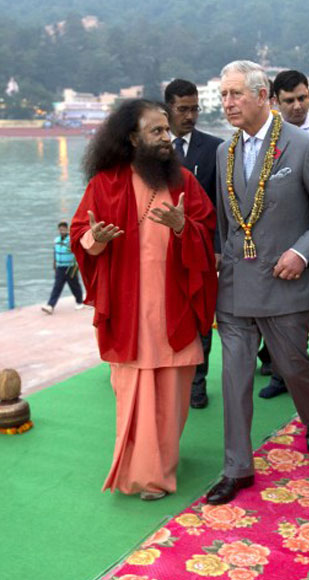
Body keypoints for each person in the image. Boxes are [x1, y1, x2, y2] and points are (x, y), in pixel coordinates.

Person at [206, 60, 309, 505]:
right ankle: (237, 468)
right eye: (223, 95)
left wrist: (303, 252)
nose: (227, 103)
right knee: (234, 377)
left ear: (262, 95)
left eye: (235, 94)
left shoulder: (302, 146)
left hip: (286, 282)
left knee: (294, 367)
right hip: (235, 285)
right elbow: (228, 222)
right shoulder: (223, 152)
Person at [70, 99, 217, 500]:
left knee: (171, 396)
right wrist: (95, 240)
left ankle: (159, 471)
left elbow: (207, 231)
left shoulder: (183, 181)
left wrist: (185, 226)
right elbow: (81, 234)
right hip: (129, 311)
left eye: (167, 130)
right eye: (157, 131)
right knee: (133, 392)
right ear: (133, 138)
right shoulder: (105, 184)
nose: (167, 138)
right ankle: (141, 471)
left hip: (174, 307)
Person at [260, 68, 309, 398]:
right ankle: (280, 374)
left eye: (302, 98)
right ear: (275, 101)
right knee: (280, 309)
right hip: (277, 235)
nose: (297, 106)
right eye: (289, 100)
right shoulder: (264, 137)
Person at [165, 78, 224, 409]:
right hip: (164, 252)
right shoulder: (154, 150)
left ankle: (197, 381)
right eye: (183, 109)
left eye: (195, 108)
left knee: (202, 314)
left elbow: (221, 205)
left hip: (201, 248)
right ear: (168, 108)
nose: (190, 115)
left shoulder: (215, 148)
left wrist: (216, 247)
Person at [41, 221, 84, 314]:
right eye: (60, 229)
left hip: (71, 267)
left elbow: (78, 250)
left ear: (67, 229)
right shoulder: (56, 240)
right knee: (57, 286)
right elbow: (55, 252)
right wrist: (54, 264)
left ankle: (79, 301)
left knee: (74, 285)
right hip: (60, 267)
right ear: (58, 230)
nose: (62, 231)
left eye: (64, 229)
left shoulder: (71, 240)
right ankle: (50, 306)